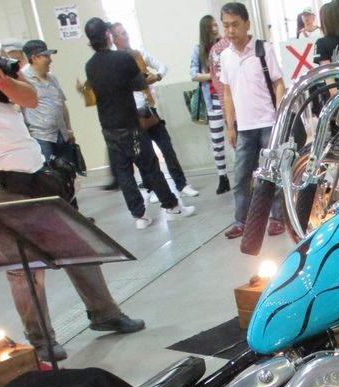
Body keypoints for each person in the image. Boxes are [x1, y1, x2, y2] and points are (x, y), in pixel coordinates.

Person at [0, 3, 145, 363]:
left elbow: (30, 99)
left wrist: (1, 79)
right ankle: (41, 340)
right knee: (23, 266)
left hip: (36, 169)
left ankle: (105, 313)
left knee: (77, 244)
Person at [83, 17, 196, 229]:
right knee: (150, 166)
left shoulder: (90, 66)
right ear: (107, 35)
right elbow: (139, 84)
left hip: (108, 127)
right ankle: (171, 207)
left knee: (124, 173)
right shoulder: (122, 59)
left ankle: (139, 216)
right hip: (130, 124)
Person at [218, 1, 286, 240]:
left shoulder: (263, 49)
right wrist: (230, 126)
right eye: (226, 25)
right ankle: (241, 221)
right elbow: (227, 93)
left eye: (235, 25)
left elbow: (278, 83)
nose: (230, 31)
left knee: (273, 174)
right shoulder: (225, 56)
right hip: (244, 128)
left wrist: (279, 116)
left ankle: (277, 219)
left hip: (268, 123)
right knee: (241, 178)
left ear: (247, 24)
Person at [109, 22, 199, 200]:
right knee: (145, 155)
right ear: (114, 39)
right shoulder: (115, 62)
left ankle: (181, 183)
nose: (126, 36)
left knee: (166, 147)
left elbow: (162, 67)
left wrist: (156, 76)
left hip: (149, 109)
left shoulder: (139, 54)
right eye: (121, 34)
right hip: (132, 114)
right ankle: (153, 189)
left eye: (126, 32)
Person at [191, 15, 231, 195]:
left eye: (216, 25)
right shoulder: (198, 50)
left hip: (229, 97)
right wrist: (213, 75)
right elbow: (193, 74)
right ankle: (222, 176)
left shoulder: (225, 45)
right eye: (211, 26)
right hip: (213, 99)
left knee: (237, 137)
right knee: (217, 141)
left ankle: (245, 175)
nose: (215, 29)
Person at [20, 39, 76, 164]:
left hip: (62, 135)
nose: (50, 60)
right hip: (41, 138)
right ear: (34, 58)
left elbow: (62, 105)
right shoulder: (23, 79)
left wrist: (69, 130)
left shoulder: (52, 78)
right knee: (49, 173)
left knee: (68, 170)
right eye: (46, 56)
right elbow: (18, 109)